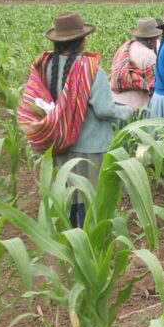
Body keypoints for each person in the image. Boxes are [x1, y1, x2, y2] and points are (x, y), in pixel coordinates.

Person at [39, 12, 134, 227]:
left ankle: (72, 241)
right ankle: (89, 245)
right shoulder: (90, 69)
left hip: (60, 144)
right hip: (91, 147)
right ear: (82, 41)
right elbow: (103, 110)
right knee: (89, 199)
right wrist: (128, 111)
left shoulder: (46, 67)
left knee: (69, 197)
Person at [111, 17, 162, 109]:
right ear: (152, 39)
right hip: (135, 107)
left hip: (115, 101)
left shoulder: (124, 48)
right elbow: (154, 85)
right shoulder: (149, 55)